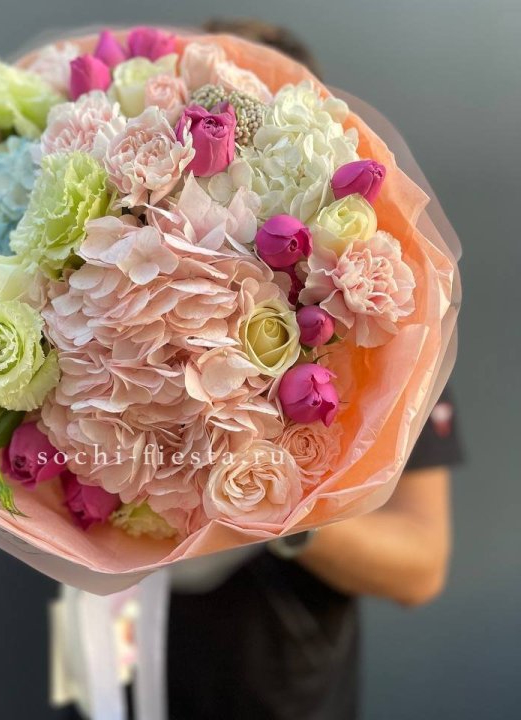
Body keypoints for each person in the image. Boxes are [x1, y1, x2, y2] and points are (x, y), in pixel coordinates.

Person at [163, 23, 464, 720]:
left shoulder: (383, 324)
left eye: (249, 118)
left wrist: (277, 513)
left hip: (281, 691)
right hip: (113, 676)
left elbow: (420, 564)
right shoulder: (110, 298)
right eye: (202, 112)